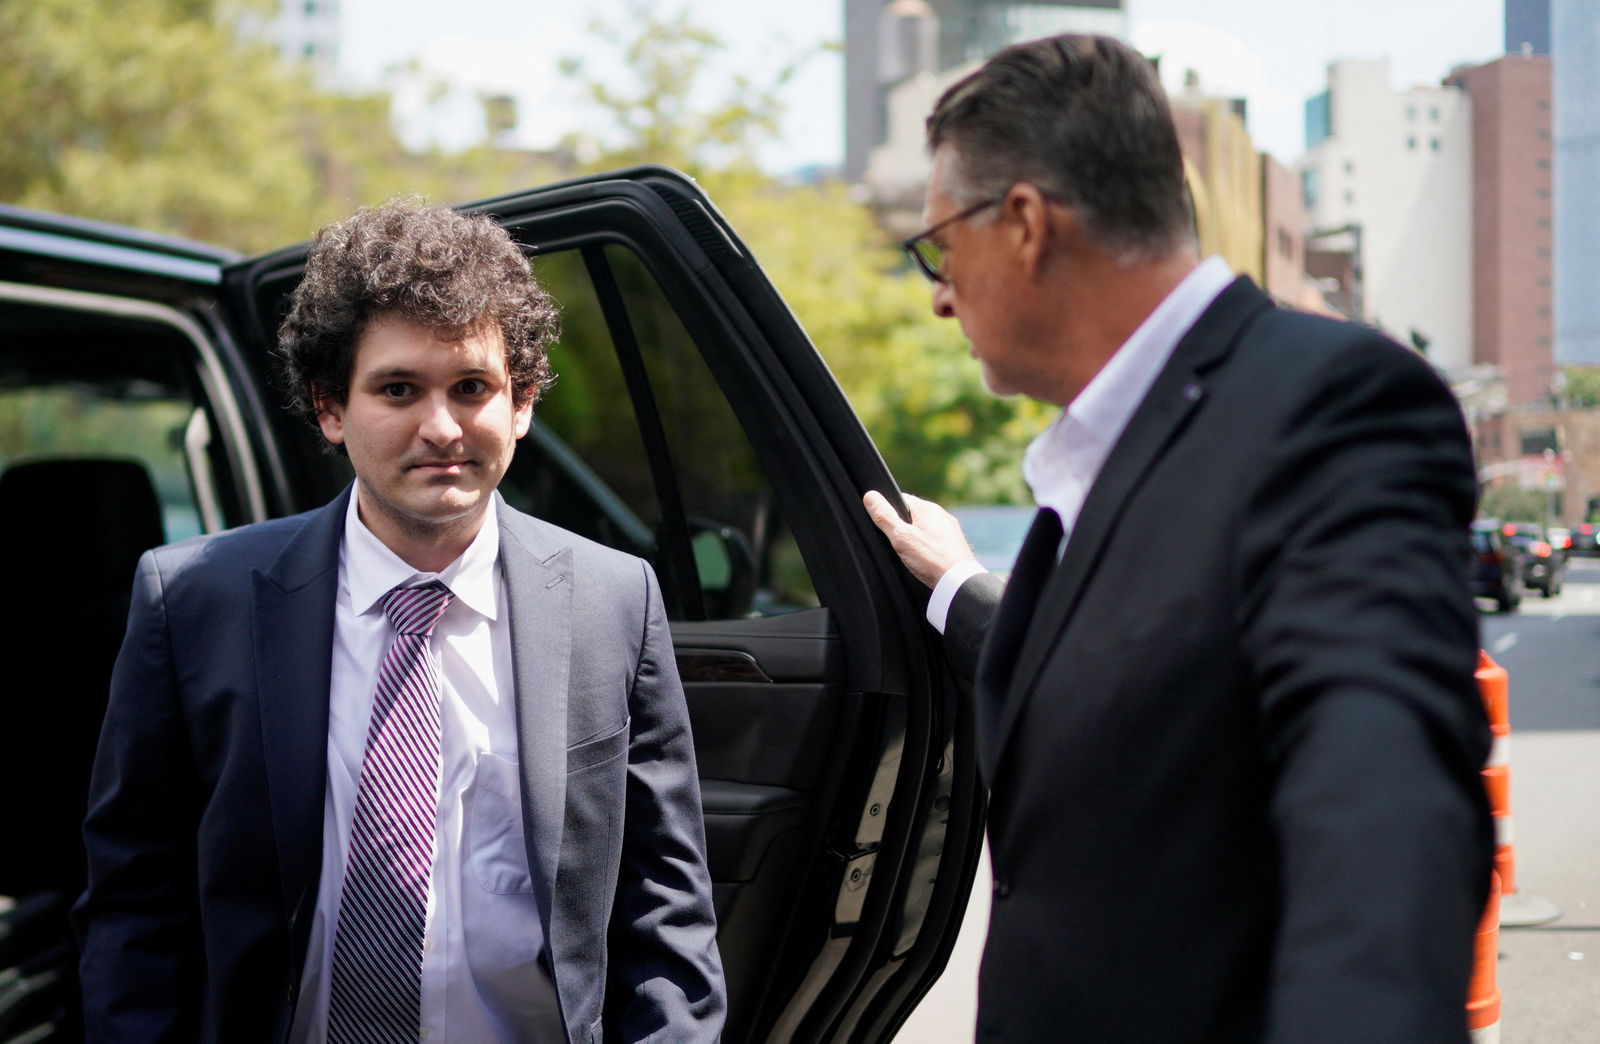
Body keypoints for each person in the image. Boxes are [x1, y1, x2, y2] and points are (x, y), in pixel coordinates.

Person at [863, 34, 1493, 1042]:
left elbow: (1385, 819)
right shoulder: (1120, 446)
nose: (938, 293)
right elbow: (1142, 676)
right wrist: (956, 588)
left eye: (940, 248)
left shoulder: (1323, 408)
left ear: (1023, 223)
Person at [74, 201, 726, 1043]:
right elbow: (134, 903)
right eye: (397, 389)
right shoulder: (196, 601)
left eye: (472, 388)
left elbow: (665, 908)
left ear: (521, 403)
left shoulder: (613, 601)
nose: (442, 428)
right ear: (330, 409)